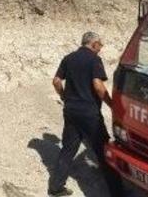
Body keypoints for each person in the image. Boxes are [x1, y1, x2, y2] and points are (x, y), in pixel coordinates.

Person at [48, 31, 124, 197]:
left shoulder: (68, 58)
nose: (101, 48)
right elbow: (98, 86)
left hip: (71, 111)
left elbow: (56, 81)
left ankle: (55, 187)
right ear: (93, 44)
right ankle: (118, 192)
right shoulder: (94, 60)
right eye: (100, 45)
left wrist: (63, 96)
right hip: (89, 114)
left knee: (68, 149)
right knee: (104, 150)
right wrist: (112, 105)